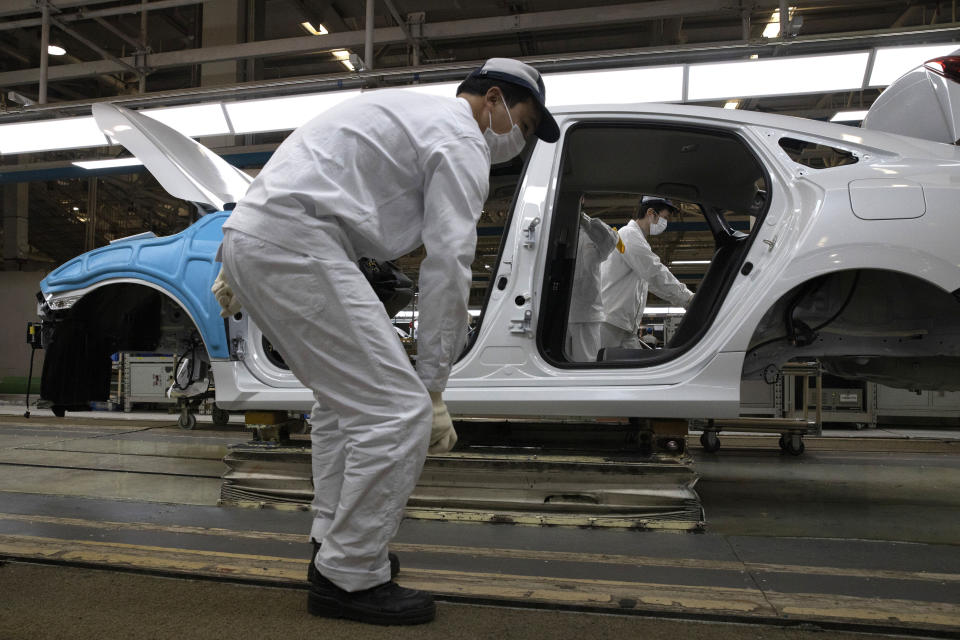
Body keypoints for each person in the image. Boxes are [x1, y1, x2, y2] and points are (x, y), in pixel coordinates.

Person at [211, 58, 559, 625]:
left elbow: (307, 162)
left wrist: (235, 259)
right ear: (493, 99)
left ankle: (334, 543)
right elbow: (448, 266)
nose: (518, 141)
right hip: (296, 245)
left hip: (264, 238)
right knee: (399, 414)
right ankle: (348, 576)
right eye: (522, 122)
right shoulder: (461, 137)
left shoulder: (404, 108)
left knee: (342, 406)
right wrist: (434, 388)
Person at [599, 196, 694, 349]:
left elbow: (651, 280)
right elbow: (654, 272)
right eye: (664, 218)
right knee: (600, 370)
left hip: (625, 326)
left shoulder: (637, 240)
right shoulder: (628, 235)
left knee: (636, 370)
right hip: (610, 324)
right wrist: (687, 299)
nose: (665, 223)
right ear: (651, 213)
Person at [566, 199, 621, 362]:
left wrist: (584, 220)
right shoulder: (555, 230)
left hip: (586, 314)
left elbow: (612, 240)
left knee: (586, 364)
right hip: (560, 314)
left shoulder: (591, 233)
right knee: (558, 365)